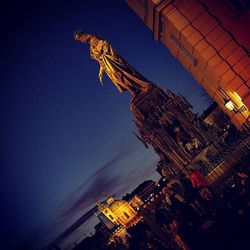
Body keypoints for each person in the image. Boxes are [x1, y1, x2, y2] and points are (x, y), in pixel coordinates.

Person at [74, 30, 152, 96]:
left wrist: (104, 54)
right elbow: (100, 61)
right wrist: (100, 72)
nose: (81, 40)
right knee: (118, 79)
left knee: (121, 75)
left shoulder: (93, 39)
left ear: (84, 35)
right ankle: (134, 92)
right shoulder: (91, 47)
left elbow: (105, 44)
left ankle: (140, 88)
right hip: (107, 65)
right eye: (79, 40)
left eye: (80, 38)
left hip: (112, 62)